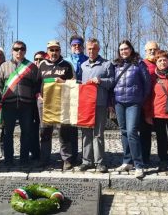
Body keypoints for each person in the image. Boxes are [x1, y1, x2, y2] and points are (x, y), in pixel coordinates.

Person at [0, 41, 39, 166]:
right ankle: (8, 159)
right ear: (12, 51)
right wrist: (4, 98)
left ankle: (24, 159)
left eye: (22, 49)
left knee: (26, 133)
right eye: (16, 49)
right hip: (9, 105)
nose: (19, 51)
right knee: (7, 133)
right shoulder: (4, 66)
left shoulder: (31, 67)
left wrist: (31, 99)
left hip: (26, 106)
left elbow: (36, 85)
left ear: (25, 51)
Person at [113, 40, 151, 179]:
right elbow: (112, 83)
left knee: (132, 132)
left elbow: (147, 84)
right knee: (123, 132)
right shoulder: (116, 64)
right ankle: (127, 161)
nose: (123, 51)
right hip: (119, 102)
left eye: (126, 49)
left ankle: (139, 165)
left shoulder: (139, 63)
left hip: (133, 103)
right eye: (121, 49)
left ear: (131, 49)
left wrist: (140, 99)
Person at [38, 40, 75, 170]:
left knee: (63, 132)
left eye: (56, 50)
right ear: (47, 51)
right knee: (45, 131)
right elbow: (37, 83)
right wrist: (39, 96)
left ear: (60, 51)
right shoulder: (42, 64)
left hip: (61, 103)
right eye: (51, 50)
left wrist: (63, 81)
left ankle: (66, 160)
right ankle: (44, 159)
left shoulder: (67, 65)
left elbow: (74, 84)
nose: (54, 52)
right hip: (45, 103)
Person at [79, 38, 114, 173]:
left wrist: (100, 81)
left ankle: (99, 162)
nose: (91, 51)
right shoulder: (83, 65)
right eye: (89, 48)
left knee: (98, 134)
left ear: (98, 49)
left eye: (94, 48)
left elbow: (112, 82)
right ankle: (86, 161)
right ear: (86, 49)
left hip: (100, 103)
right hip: (86, 105)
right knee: (86, 133)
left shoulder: (106, 64)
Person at [64, 35, 88, 165]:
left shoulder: (88, 60)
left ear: (82, 46)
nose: (76, 47)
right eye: (74, 45)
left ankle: (87, 156)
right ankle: (72, 155)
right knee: (71, 128)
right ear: (71, 46)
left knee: (86, 128)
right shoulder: (66, 61)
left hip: (84, 97)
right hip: (70, 98)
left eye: (79, 45)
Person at [140, 41, 159, 165]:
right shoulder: (141, 64)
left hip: (159, 105)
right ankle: (143, 158)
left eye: (154, 49)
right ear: (145, 52)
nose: (152, 51)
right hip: (144, 104)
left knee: (161, 134)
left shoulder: (162, 63)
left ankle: (163, 158)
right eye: (149, 50)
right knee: (144, 133)